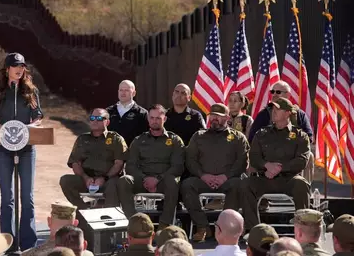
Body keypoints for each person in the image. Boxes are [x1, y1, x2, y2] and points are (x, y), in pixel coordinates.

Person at [0, 52, 43, 250]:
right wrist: (6, 131)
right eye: (15, 66)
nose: (19, 69)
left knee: (27, 197)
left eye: (22, 66)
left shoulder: (31, 90)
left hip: (27, 149)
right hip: (4, 148)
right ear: (7, 69)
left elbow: (38, 117)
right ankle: (8, 243)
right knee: (7, 198)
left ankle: (28, 244)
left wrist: (28, 128)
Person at [181, 103, 249, 242]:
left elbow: (242, 162)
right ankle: (202, 227)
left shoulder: (238, 137)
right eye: (212, 116)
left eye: (218, 116)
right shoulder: (199, 136)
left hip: (228, 180)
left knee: (238, 184)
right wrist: (203, 175)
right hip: (203, 179)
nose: (214, 119)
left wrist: (226, 177)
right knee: (187, 185)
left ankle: (224, 227)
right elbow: (190, 160)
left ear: (227, 118)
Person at [241, 98, 311, 231]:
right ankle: (254, 230)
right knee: (245, 184)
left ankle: (303, 229)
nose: (273, 112)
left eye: (277, 109)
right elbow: (253, 156)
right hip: (264, 178)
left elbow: (301, 160)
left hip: (288, 180)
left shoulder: (300, 135)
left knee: (302, 184)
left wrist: (280, 168)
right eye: (272, 109)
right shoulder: (262, 133)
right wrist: (266, 165)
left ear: (287, 113)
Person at [118, 104, 184, 228]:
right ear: (148, 119)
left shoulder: (175, 140)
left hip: (163, 181)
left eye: (158, 118)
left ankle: (164, 226)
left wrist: (158, 179)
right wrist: (144, 179)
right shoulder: (138, 140)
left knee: (173, 181)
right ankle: (134, 223)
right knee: (124, 180)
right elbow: (130, 166)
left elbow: (177, 166)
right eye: (152, 118)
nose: (155, 121)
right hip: (142, 181)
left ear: (164, 119)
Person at [248, 81, 315, 184]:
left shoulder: (299, 115)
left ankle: (305, 187)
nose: (274, 94)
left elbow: (309, 137)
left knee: (309, 156)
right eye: (272, 91)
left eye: (278, 92)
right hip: (269, 154)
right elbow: (252, 138)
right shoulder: (264, 114)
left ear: (288, 95)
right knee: (254, 155)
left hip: (292, 154)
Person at [60, 108, 127, 209]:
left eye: (99, 118)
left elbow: (119, 163)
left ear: (107, 122)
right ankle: (83, 211)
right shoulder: (82, 139)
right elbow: (75, 163)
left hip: (108, 180)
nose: (95, 121)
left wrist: (104, 178)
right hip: (87, 180)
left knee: (115, 184)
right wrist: (85, 177)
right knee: (65, 180)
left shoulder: (116, 139)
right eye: (92, 118)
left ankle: (110, 217)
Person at [106, 80, 149, 147]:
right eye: (121, 90)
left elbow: (146, 137)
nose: (123, 93)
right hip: (111, 154)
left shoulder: (142, 113)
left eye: (126, 90)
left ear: (134, 93)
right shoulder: (108, 111)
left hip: (132, 154)